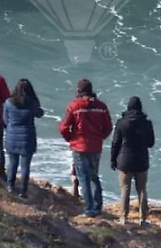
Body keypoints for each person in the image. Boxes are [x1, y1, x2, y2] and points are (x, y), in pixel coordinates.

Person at [59, 78, 113, 218]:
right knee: (94, 176)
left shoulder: (74, 106)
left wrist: (71, 138)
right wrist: (100, 137)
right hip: (95, 146)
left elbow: (63, 127)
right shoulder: (101, 106)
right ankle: (97, 207)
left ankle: (89, 208)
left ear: (78, 91)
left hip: (79, 146)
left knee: (83, 177)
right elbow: (108, 127)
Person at [110, 96, 155, 226]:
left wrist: (113, 159)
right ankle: (143, 219)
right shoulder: (147, 123)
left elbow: (115, 143)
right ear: (140, 108)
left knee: (125, 189)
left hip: (124, 160)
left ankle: (124, 218)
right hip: (141, 160)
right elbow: (151, 143)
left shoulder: (121, 122)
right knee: (142, 189)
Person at [3, 78, 44, 199]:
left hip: (12, 135)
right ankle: (23, 191)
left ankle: (10, 186)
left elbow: (5, 120)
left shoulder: (9, 102)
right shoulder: (32, 103)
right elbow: (39, 114)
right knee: (25, 166)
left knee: (12, 163)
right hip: (27, 137)